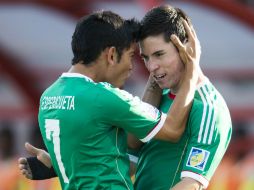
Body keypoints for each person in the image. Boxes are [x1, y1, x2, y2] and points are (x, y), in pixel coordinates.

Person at [18, 9, 200, 190]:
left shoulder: (49, 96)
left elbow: (106, 151)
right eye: (130, 56)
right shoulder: (103, 98)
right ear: (112, 55)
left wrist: (57, 165)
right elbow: (172, 129)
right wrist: (192, 68)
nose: (131, 67)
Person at [131, 5, 232, 190]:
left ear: (186, 46)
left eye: (159, 54)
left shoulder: (208, 108)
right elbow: (129, 160)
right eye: (146, 57)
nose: (151, 66)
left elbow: (191, 184)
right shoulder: (156, 96)